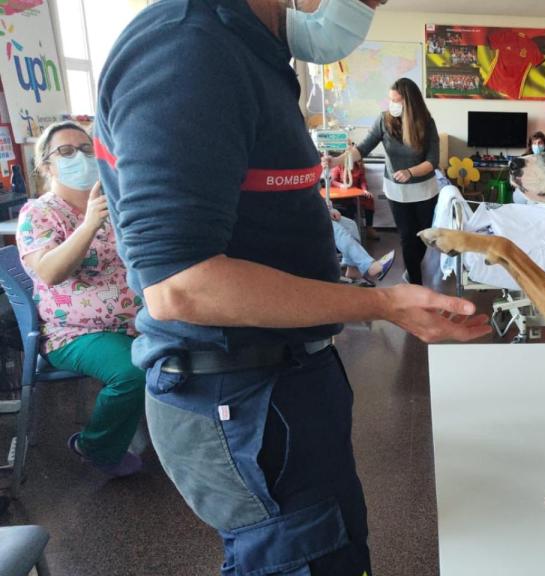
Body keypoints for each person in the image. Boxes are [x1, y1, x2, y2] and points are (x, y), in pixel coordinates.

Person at [95, 1, 491, 575]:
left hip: (284, 377)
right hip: (239, 393)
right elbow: (182, 285)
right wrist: (381, 303)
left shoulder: (251, 49)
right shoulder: (187, 49)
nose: (367, 8)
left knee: (335, 550)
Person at [17, 121, 144, 477]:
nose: (80, 157)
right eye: (66, 151)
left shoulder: (113, 205)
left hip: (136, 319)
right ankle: (95, 446)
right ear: (46, 165)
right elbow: (49, 271)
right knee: (132, 373)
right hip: (74, 332)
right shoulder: (39, 214)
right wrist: (88, 225)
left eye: (87, 149)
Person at [345, 78, 440, 285]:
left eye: (397, 101)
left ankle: (413, 270)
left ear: (410, 103)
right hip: (397, 191)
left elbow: (433, 161)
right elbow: (362, 148)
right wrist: (337, 159)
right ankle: (415, 282)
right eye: (391, 100)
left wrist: (410, 172)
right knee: (407, 237)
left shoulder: (426, 123)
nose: (392, 105)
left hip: (425, 190)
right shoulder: (384, 120)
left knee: (424, 236)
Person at [331, 159, 378, 241]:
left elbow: (363, 181)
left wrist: (365, 190)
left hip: (355, 192)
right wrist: (341, 185)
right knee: (346, 206)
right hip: (341, 193)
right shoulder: (339, 166)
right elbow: (333, 181)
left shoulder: (359, 167)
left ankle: (369, 228)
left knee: (369, 199)